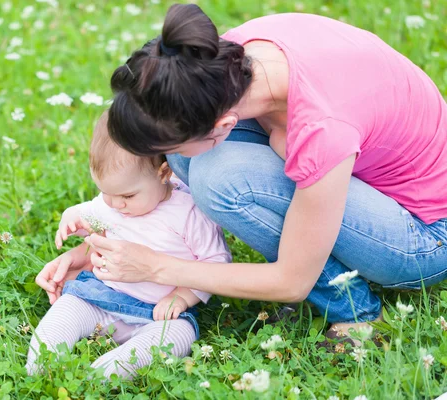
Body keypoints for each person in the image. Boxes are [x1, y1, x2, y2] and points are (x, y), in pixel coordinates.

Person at [60, 4, 447, 346]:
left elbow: (290, 281)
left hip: (423, 236)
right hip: (356, 164)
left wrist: (157, 267)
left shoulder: (321, 127)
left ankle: (355, 313)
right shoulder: (226, 59)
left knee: (222, 180)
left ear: (223, 123)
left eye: (170, 146)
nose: (164, 161)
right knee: (190, 163)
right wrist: (99, 248)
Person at [28, 112, 231, 377]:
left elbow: (215, 261)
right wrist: (72, 218)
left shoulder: (189, 212)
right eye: (105, 192)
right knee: (68, 307)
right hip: (102, 296)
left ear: (164, 173)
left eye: (126, 195)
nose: (115, 204)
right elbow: (90, 214)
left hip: (158, 312)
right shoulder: (111, 200)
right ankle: (41, 364)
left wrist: (181, 296)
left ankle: (105, 375)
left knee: (179, 335)